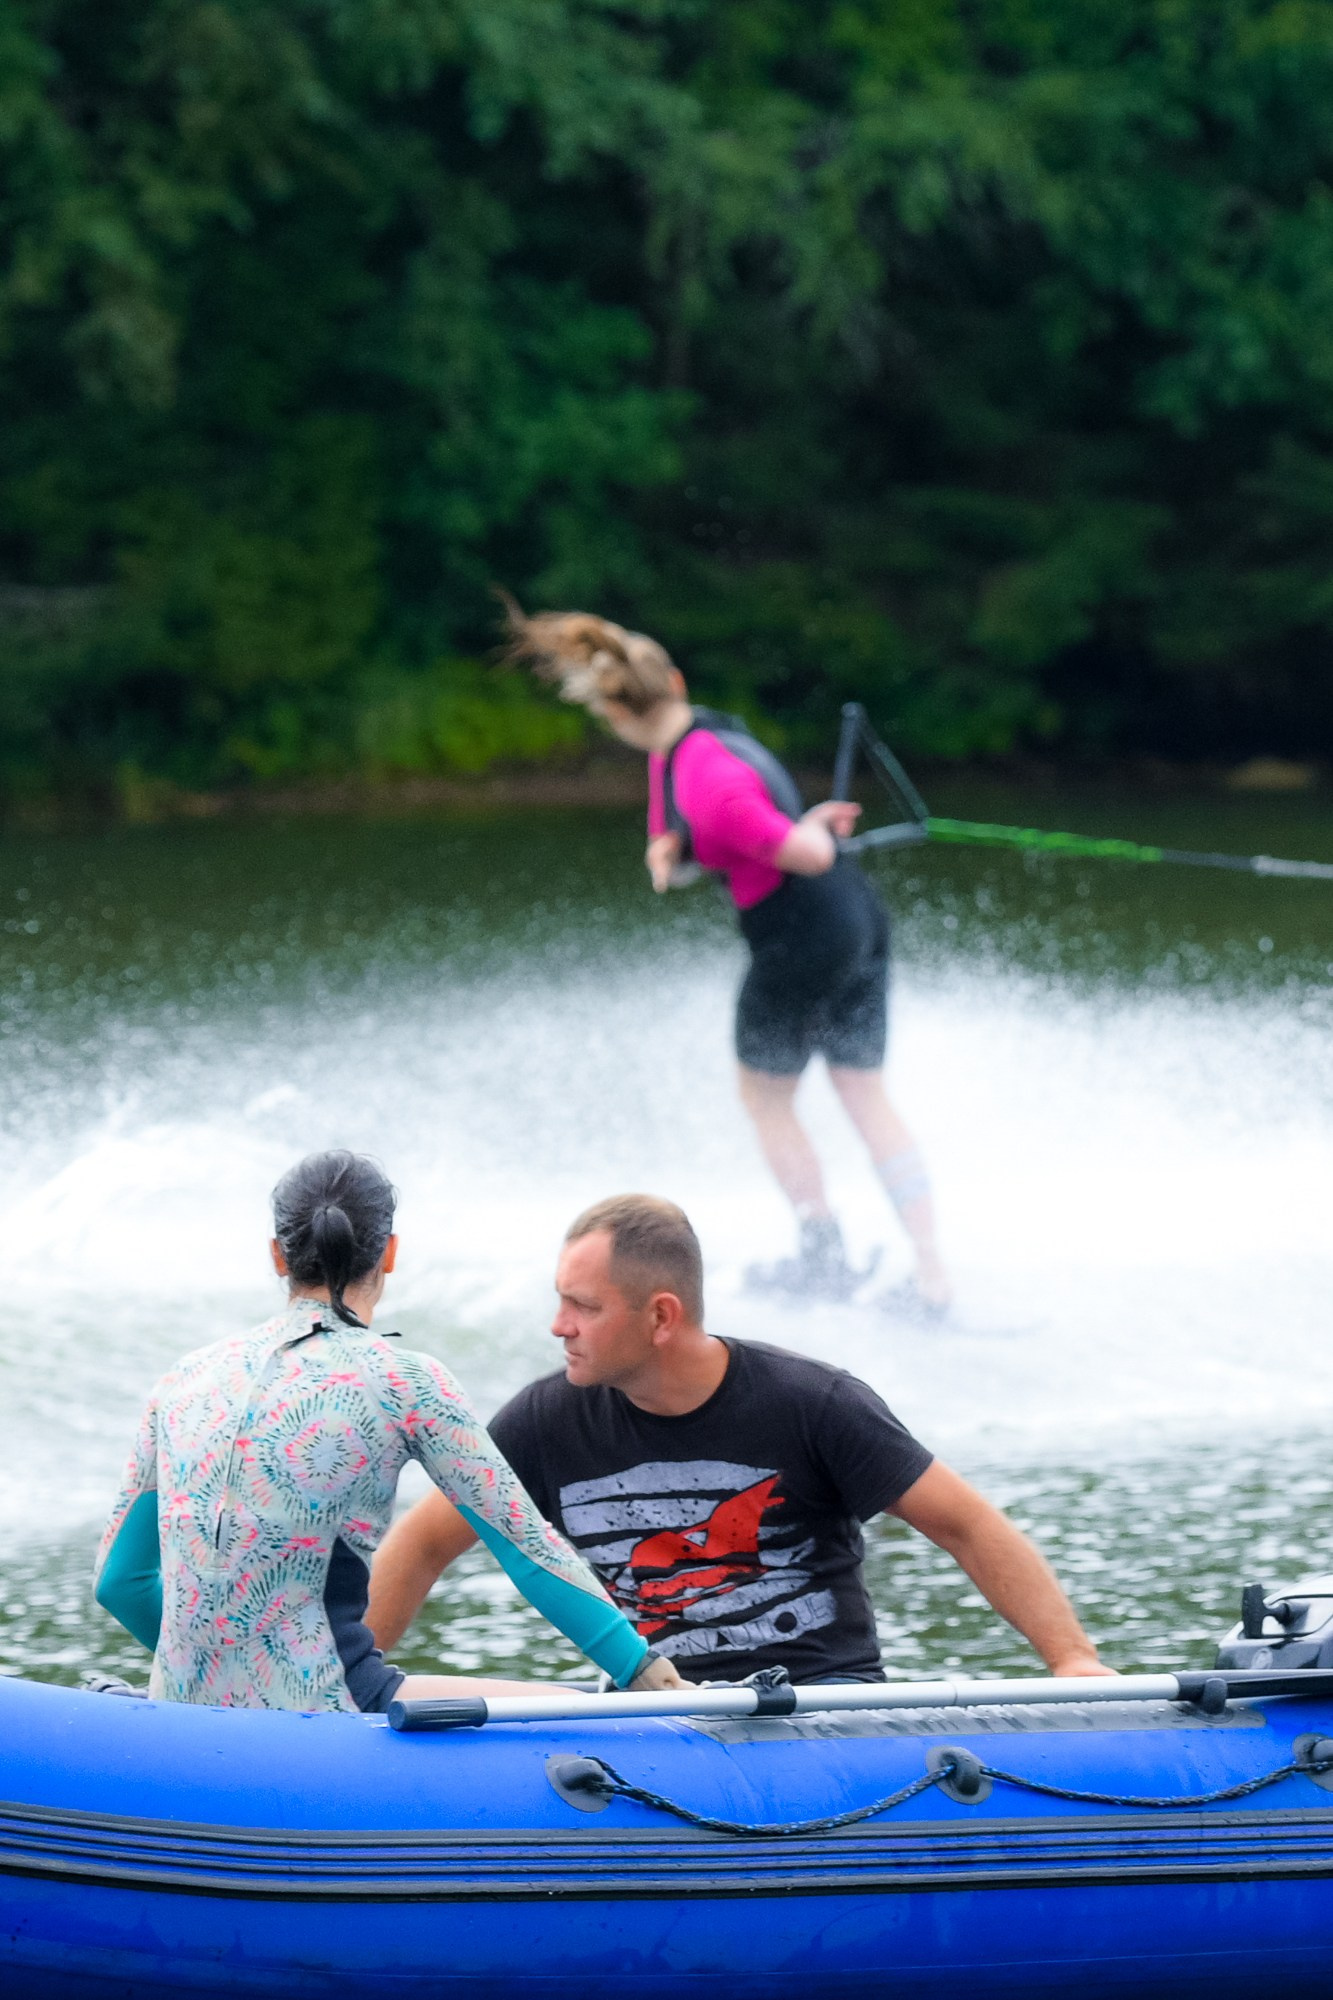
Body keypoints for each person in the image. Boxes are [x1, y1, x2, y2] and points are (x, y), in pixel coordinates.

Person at [368, 1196, 1108, 1686]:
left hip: (825, 1708)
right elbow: (424, 1543)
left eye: (582, 1306)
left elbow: (967, 1525)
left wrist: (1072, 1660)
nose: (558, 1325)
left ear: (661, 1317)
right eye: (560, 1300)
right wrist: (350, 1680)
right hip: (660, 1719)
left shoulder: (814, 1403)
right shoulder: (545, 1420)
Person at [93, 1152, 683, 1711]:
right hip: (327, 1706)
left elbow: (119, 1582)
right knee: (582, 1712)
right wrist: (643, 1671)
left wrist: (225, 1670)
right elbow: (528, 1550)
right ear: (389, 1252)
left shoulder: (184, 1378)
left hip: (179, 1709)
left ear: (278, 1255)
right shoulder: (405, 1382)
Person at [507, 605, 949, 1312]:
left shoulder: (708, 784)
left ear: (615, 714)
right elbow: (700, 829)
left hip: (799, 937)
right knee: (863, 1093)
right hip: (858, 920)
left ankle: (824, 1255)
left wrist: (802, 834)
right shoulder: (703, 734)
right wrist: (681, 850)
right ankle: (933, 1278)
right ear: (675, 683)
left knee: (764, 1099)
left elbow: (804, 854)